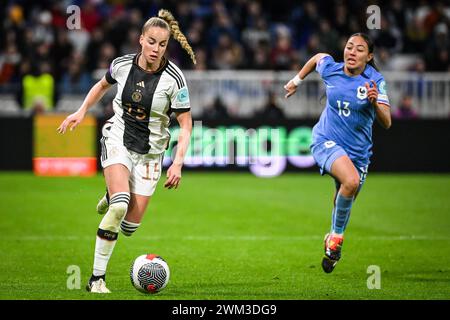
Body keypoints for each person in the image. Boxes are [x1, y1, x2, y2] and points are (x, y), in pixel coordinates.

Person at [57, 9, 196, 293]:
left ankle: (111, 193)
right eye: (152, 41)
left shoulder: (175, 78)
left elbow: (186, 123)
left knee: (130, 227)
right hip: (118, 137)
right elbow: (101, 85)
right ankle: (96, 279)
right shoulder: (121, 64)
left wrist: (178, 163)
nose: (156, 49)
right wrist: (81, 111)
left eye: (162, 44)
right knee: (120, 206)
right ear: (141, 40)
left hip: (150, 154)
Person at [284, 33, 391, 273]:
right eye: (349, 47)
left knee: (344, 197)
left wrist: (375, 102)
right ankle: (337, 239)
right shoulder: (331, 68)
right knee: (350, 181)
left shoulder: (375, 80)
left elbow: (387, 122)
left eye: (359, 49)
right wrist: (296, 81)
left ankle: (331, 247)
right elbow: (317, 57)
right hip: (325, 140)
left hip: (358, 153)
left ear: (369, 56)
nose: (352, 52)